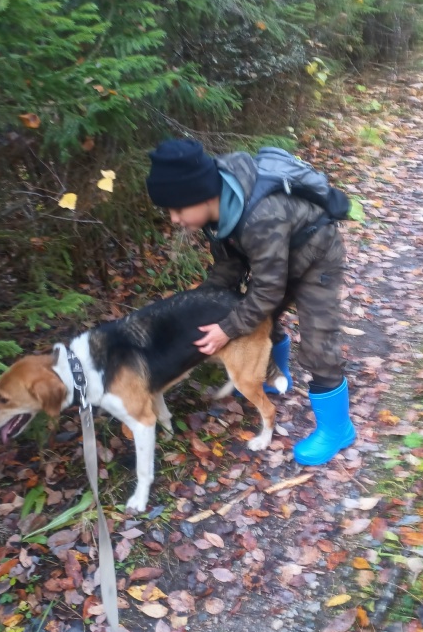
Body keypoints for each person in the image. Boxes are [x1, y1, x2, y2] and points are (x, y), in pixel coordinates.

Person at [145, 138, 355, 465]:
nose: (174, 219)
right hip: (276, 259)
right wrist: (197, 308)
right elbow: (228, 268)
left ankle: (338, 428)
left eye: (178, 209)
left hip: (317, 256)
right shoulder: (217, 215)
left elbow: (267, 291)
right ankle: (275, 375)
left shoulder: (260, 216)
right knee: (259, 318)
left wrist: (226, 329)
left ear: (202, 195)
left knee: (317, 343)